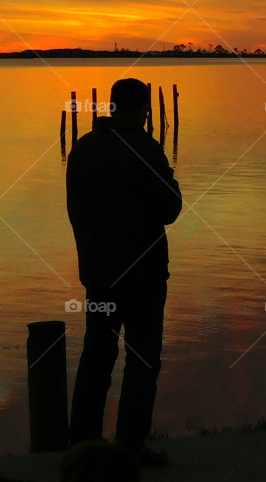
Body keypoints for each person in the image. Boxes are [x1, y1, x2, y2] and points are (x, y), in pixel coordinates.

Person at [65, 78, 182, 468]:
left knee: (96, 356)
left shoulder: (82, 149)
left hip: (98, 275)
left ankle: (82, 443)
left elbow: (75, 211)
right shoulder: (145, 148)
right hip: (144, 276)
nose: (149, 115)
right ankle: (130, 442)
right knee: (143, 358)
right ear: (140, 108)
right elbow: (170, 208)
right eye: (146, 109)